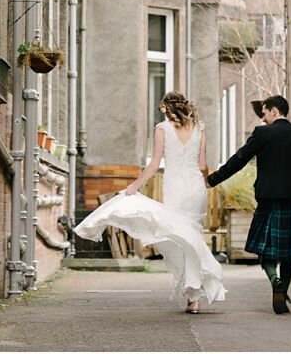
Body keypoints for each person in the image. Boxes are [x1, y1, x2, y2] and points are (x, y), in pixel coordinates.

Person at [74, 92, 225, 313]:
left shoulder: (162, 129)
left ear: (166, 108)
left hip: (175, 187)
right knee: (192, 235)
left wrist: (135, 185)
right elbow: (202, 164)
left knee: (183, 238)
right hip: (195, 188)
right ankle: (194, 294)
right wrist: (204, 184)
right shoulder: (199, 128)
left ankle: (193, 292)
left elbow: (154, 164)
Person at [206, 94, 291, 315]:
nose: (263, 118)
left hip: (268, 200)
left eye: (264, 113)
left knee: (265, 250)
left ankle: (275, 280)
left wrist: (213, 179)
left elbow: (239, 159)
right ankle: (283, 290)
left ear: (274, 111)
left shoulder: (263, 134)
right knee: (289, 253)